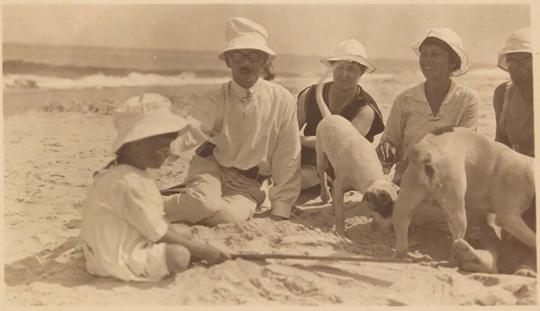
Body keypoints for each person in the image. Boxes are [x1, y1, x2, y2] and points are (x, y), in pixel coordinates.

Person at [162, 17, 301, 224]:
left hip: (249, 185)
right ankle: (141, 204)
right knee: (203, 204)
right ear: (227, 61)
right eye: (237, 55)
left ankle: (186, 200)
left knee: (226, 217)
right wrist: (141, 160)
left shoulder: (282, 99)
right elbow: (187, 134)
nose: (246, 63)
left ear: (265, 61)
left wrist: (281, 208)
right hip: (211, 168)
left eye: (254, 56)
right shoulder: (214, 98)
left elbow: (288, 154)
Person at [80, 93, 230, 282]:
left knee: (183, 231)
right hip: (114, 258)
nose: (169, 149)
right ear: (137, 143)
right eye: (162, 143)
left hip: (109, 242)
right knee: (179, 255)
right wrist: (200, 250)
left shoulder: (123, 170)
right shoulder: (129, 182)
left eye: (170, 141)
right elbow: (157, 232)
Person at [376, 28, 480, 228]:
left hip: (449, 184)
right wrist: (387, 149)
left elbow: (466, 150)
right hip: (407, 183)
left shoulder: (468, 100)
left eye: (435, 54)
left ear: (452, 61)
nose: (427, 60)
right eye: (424, 54)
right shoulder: (405, 99)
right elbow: (389, 141)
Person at [296, 38, 385, 191]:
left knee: (297, 181)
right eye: (339, 67)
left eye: (351, 69)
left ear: (361, 72)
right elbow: (290, 129)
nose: (344, 74)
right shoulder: (310, 94)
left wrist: (299, 139)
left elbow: (339, 144)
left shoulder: (365, 108)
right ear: (331, 68)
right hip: (304, 153)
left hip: (340, 163)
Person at [492, 26, 535, 276]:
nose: (520, 70)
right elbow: (501, 147)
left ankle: (533, 258)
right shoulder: (503, 94)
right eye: (513, 62)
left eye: (527, 60)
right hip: (519, 174)